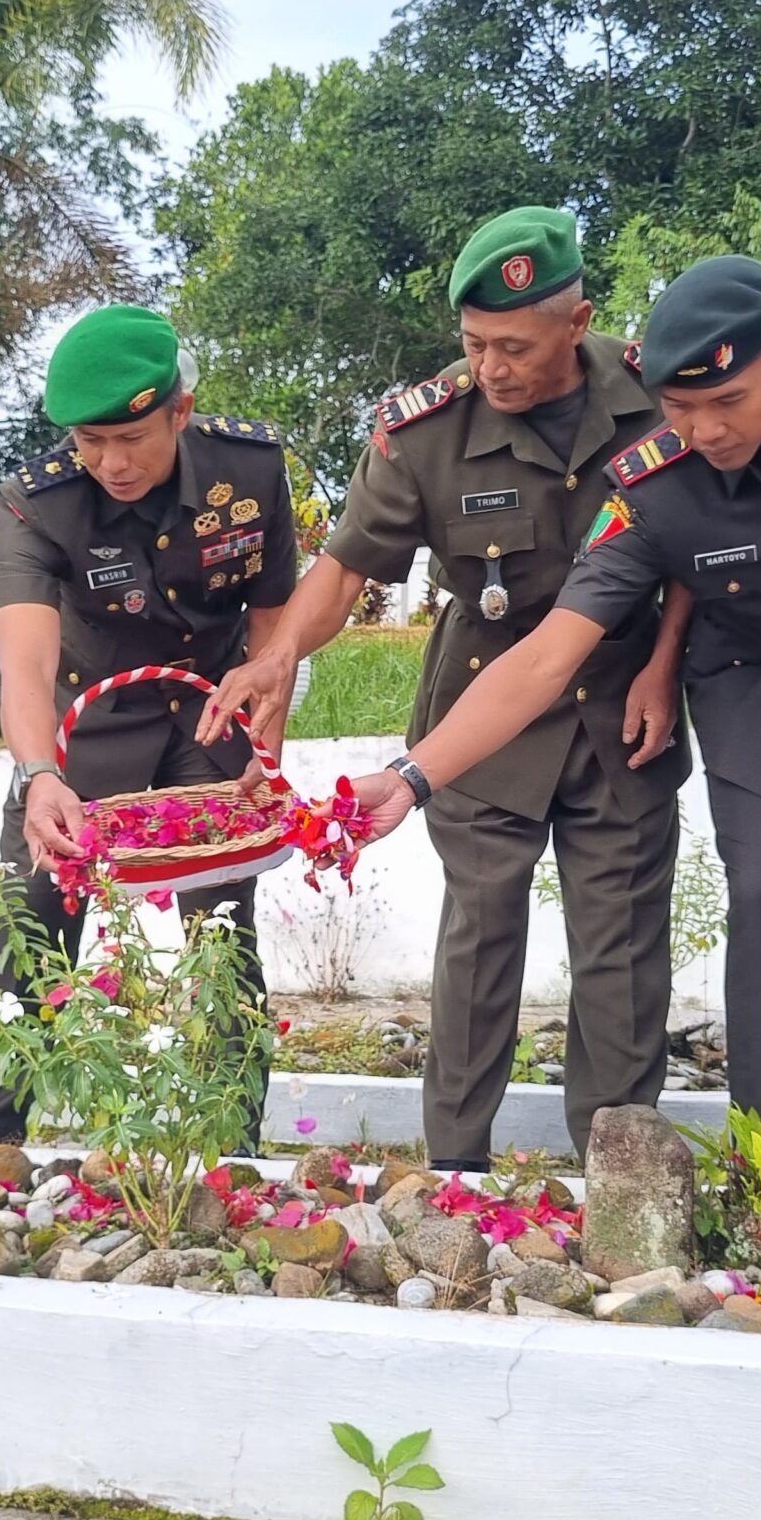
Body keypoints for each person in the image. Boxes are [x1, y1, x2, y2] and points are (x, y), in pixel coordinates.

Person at [346, 257, 761, 1169]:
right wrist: (413, 775)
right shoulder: (648, 488)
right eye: (679, 407)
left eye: (729, 402)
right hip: (751, 678)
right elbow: (549, 654)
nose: (706, 430)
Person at [199, 207, 688, 1167]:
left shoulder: (655, 393)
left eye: (514, 345)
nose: (492, 367)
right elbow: (345, 568)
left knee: (621, 946)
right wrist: (279, 653)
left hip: (622, 701)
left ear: (577, 321)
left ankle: (617, 1174)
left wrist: (668, 668)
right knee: (480, 937)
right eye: (473, 344)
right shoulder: (426, 429)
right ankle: (454, 1165)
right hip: (480, 715)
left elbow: (690, 552)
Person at [0, 305, 296, 1146]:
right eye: (88, 441)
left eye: (129, 437)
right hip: (84, 731)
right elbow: (22, 665)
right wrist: (39, 776)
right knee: (31, 914)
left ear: (179, 408)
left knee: (220, 922)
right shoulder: (40, 501)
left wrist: (265, 755)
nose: (108, 462)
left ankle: (229, 1149)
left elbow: (274, 630)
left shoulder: (247, 470)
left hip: (210, 722)